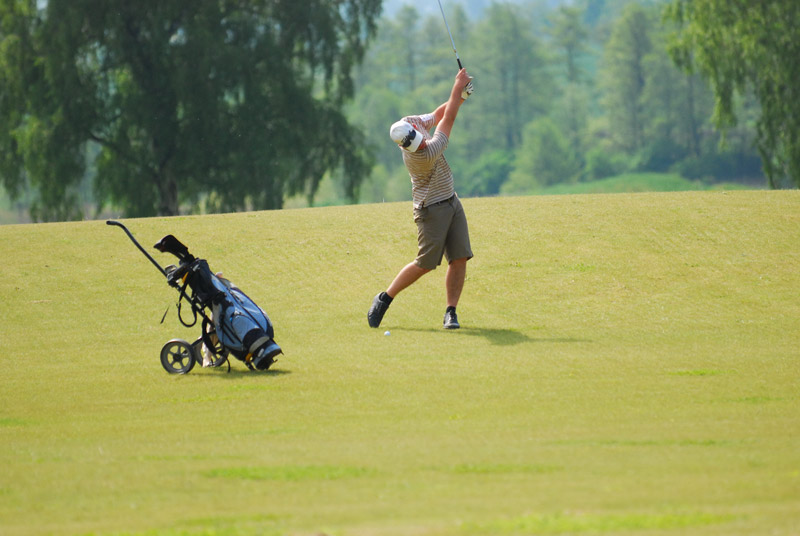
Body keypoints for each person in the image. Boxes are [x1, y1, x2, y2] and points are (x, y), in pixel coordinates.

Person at [368, 68, 474, 330]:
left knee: (459, 257)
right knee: (425, 264)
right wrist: (457, 87)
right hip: (431, 209)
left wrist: (460, 96)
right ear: (404, 146)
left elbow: (438, 113)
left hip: (451, 199)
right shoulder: (423, 156)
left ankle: (451, 312)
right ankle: (385, 298)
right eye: (417, 144)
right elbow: (447, 119)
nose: (422, 143)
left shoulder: (410, 122)